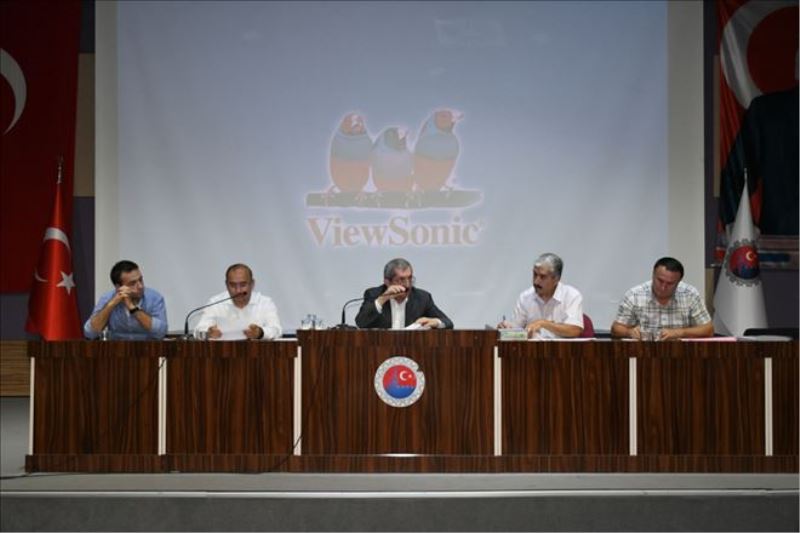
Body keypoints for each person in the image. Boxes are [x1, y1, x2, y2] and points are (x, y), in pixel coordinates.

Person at [611, 257, 714, 340]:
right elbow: (616, 329)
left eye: (670, 283)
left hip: (681, 354)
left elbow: (708, 329)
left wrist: (679, 332)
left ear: (678, 282)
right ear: (653, 275)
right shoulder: (634, 295)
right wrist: (629, 332)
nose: (663, 287)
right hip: (644, 353)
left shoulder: (690, 294)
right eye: (660, 281)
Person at [497, 253, 584, 339]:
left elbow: (575, 330)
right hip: (532, 348)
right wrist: (506, 330)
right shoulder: (525, 297)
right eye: (535, 274)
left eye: (542, 277)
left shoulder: (571, 296)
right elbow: (515, 330)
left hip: (562, 348)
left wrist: (543, 324)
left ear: (556, 279)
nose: (536, 281)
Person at [355, 258, 453, 329]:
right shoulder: (374, 294)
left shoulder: (422, 298)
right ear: (387, 282)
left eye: (410, 279)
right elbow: (361, 323)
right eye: (401, 280)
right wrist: (382, 299)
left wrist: (435, 322)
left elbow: (448, 322)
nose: (407, 284)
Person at [194, 263, 282, 340]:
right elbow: (198, 331)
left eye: (243, 285)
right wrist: (208, 333)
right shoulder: (216, 302)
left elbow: (277, 330)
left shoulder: (265, 303)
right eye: (233, 285)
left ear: (252, 284)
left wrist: (260, 333)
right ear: (226, 285)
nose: (238, 290)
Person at [84, 260, 168, 340]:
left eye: (140, 280)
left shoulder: (155, 298)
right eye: (133, 283)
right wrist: (111, 305)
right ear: (118, 287)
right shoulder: (107, 298)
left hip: (148, 348)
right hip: (117, 348)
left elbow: (160, 333)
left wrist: (132, 307)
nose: (140, 286)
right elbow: (90, 333)